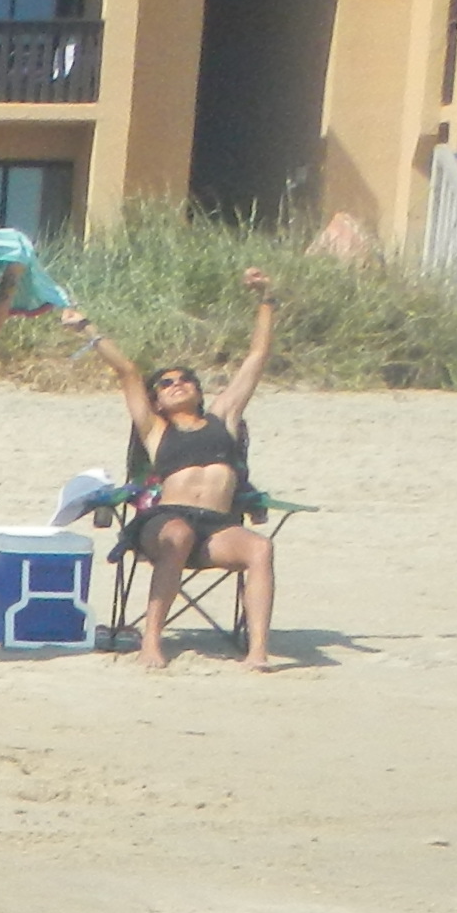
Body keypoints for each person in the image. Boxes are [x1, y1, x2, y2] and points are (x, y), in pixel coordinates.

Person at [64, 272, 280, 671]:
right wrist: (88, 330)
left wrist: (266, 299)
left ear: (199, 392)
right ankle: (151, 644)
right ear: (157, 401)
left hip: (217, 528)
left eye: (185, 380)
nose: (177, 384)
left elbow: (256, 359)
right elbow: (127, 371)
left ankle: (257, 652)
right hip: (164, 525)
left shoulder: (223, 419)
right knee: (178, 535)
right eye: (166, 383)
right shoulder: (155, 430)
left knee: (260, 548)